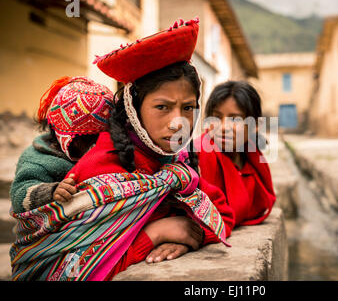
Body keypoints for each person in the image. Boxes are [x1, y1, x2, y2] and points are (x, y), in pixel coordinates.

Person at [56, 18, 234, 280]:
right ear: (134, 108)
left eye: (188, 108)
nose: (178, 123)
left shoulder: (178, 165)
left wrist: (188, 235)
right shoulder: (101, 169)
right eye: (162, 107)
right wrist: (156, 234)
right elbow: (70, 268)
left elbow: (223, 214)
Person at [9, 76, 114, 213]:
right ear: (65, 137)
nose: (95, 147)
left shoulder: (111, 150)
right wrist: (52, 192)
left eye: (103, 138)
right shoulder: (38, 159)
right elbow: (18, 194)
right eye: (88, 140)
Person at [196, 81, 276, 226]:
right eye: (216, 117)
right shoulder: (198, 155)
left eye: (235, 119)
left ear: (256, 125)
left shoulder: (252, 157)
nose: (224, 127)